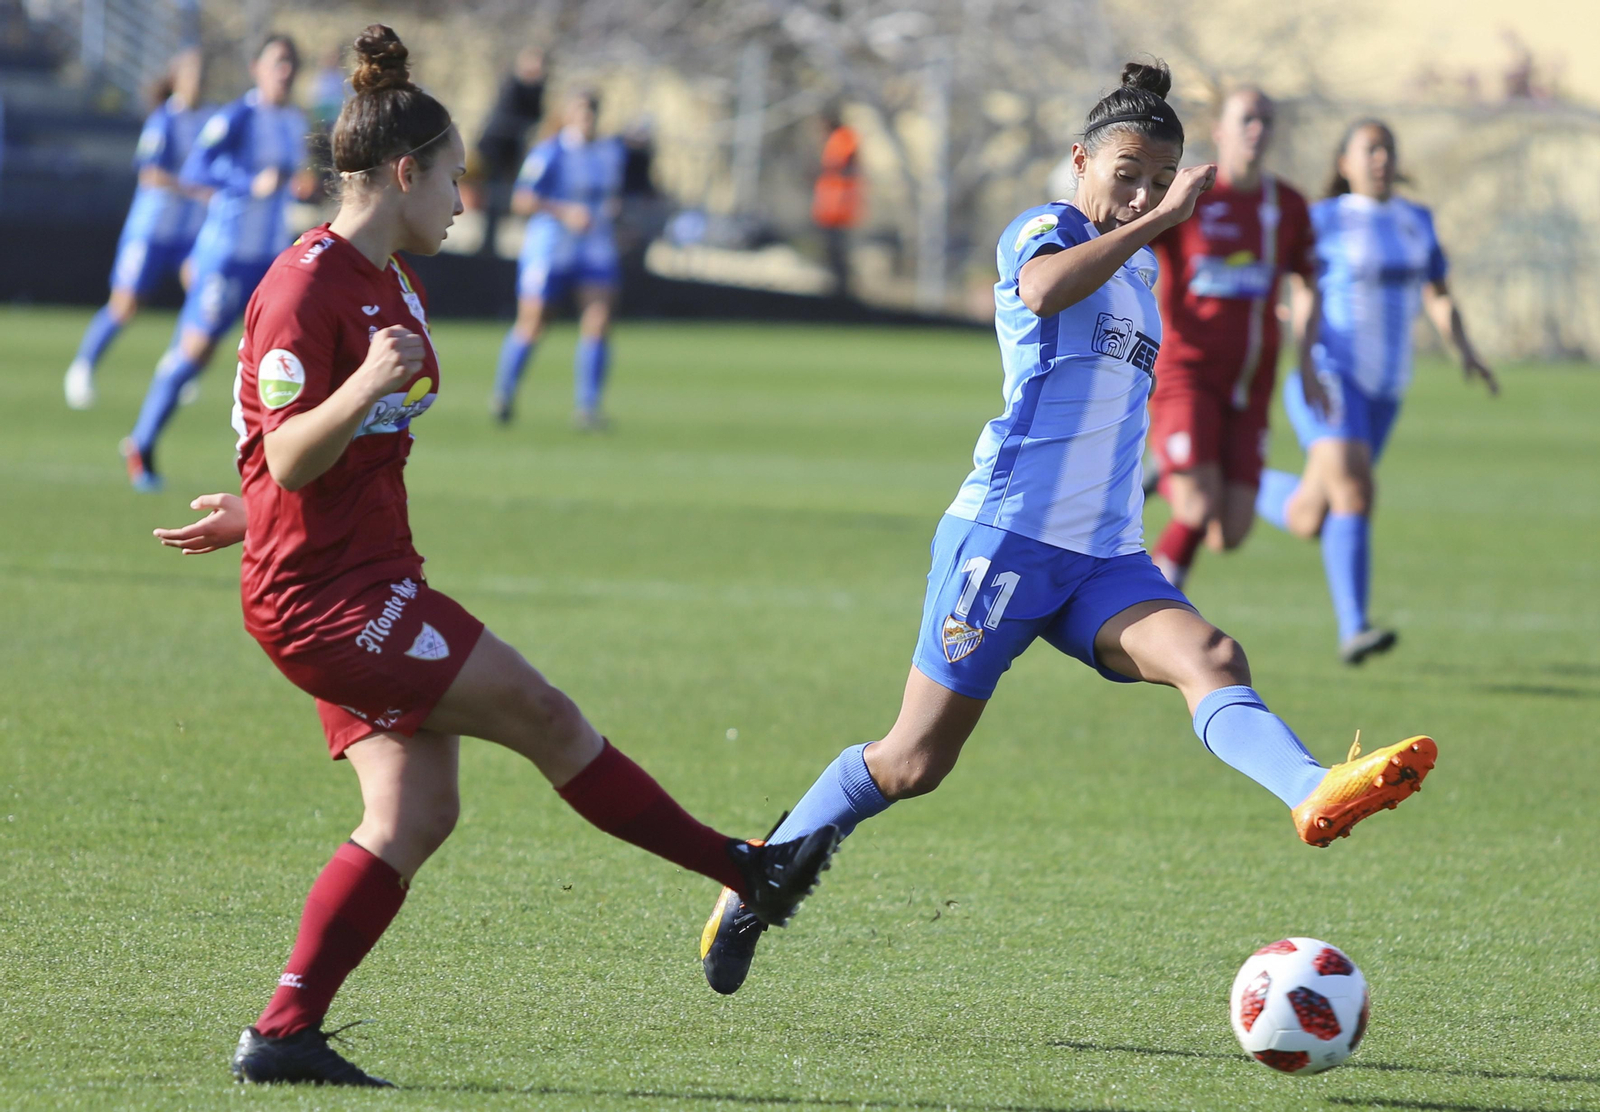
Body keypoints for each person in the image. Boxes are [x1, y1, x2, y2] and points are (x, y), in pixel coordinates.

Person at [149, 26, 836, 1086]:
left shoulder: (394, 282)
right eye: (457, 175)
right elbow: (287, 449)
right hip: (331, 602)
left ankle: (281, 1033)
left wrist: (255, 507)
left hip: (362, 574)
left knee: (416, 812)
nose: (468, 198)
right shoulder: (305, 286)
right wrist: (352, 399)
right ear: (405, 170)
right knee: (545, 713)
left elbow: (302, 468)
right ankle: (747, 869)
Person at [697, 62, 1439, 998]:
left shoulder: (1141, 265)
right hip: (1003, 544)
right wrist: (1165, 215)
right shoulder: (1048, 228)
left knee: (1212, 653)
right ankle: (754, 880)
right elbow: (1043, 293)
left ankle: (1310, 790)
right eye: (1125, 172)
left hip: (1102, 557)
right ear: (1082, 160)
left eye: (1157, 179)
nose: (1137, 193)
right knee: (913, 762)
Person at [1255, 119, 1497, 663]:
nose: (1381, 158)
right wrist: (1305, 361)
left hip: (1387, 386)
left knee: (1309, 516)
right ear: (1344, 162)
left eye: (1388, 148)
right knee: (1357, 493)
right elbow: (1299, 291)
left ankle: (1223, 481)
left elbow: (1439, 295)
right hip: (1331, 372)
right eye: (1370, 149)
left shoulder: (1415, 220)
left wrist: (1467, 350)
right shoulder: (1324, 220)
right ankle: (1355, 629)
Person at [1146, 87, 1325, 588]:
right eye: (1246, 118)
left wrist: (1308, 362)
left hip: (1251, 382)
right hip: (1188, 372)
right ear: (1219, 130)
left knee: (1231, 531)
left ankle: (1166, 470)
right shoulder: (1191, 195)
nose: (1257, 128)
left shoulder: (1286, 205)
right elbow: (1134, 240)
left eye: (1266, 119)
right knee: (1198, 508)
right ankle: (1152, 613)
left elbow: (1308, 280)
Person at [121, 35, 308, 492]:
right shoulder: (238, 117)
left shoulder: (293, 121)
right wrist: (248, 182)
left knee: (282, 356)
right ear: (257, 68)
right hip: (225, 257)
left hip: (268, 260)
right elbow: (197, 170)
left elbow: (287, 180)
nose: (284, 71)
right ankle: (142, 442)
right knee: (196, 351)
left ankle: (277, 469)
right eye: (277, 62)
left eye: (291, 64)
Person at [64, 49, 208, 411]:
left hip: (188, 230)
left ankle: (178, 365)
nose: (199, 82)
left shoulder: (210, 119)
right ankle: (82, 367)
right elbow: (150, 173)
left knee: (202, 289)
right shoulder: (165, 119)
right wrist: (192, 187)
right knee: (126, 305)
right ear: (177, 79)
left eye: (203, 75)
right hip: (152, 228)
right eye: (192, 75)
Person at [489, 89, 625, 428]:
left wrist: (618, 218)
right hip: (551, 248)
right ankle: (504, 393)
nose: (587, 120)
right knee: (534, 323)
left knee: (599, 320)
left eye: (592, 113)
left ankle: (588, 407)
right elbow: (522, 201)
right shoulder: (550, 153)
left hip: (594, 246)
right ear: (568, 115)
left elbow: (613, 197)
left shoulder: (609, 154)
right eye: (581, 113)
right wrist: (565, 212)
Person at [474, 46, 546, 257]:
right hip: (496, 149)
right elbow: (507, 116)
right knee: (492, 195)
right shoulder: (512, 84)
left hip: (512, 152)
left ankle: (493, 241)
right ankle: (487, 243)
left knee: (503, 197)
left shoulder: (537, 88)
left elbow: (535, 116)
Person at [812, 108, 862, 297]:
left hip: (840, 206)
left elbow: (849, 163)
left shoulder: (844, 137)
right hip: (829, 207)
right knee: (830, 251)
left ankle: (843, 291)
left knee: (839, 251)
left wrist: (829, 169)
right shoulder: (833, 141)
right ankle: (834, 287)